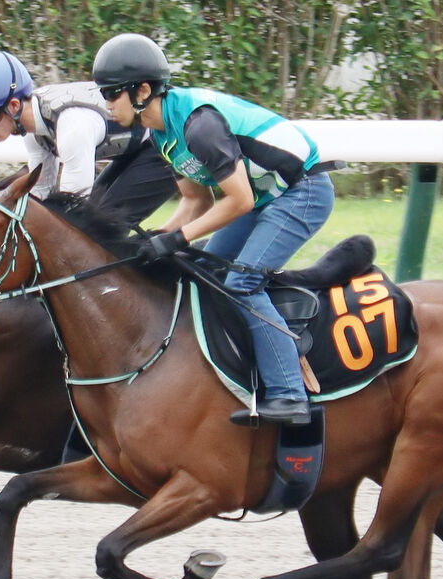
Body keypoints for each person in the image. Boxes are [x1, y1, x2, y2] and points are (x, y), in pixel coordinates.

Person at [92, 33, 336, 426]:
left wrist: (178, 239)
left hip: (302, 191)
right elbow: (196, 201)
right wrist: (157, 237)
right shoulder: (161, 134)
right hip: (266, 196)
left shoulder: (198, 126)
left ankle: (290, 397)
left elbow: (238, 200)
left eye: (112, 94)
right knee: (205, 272)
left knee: (241, 284)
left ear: (141, 90)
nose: (106, 104)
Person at [0, 49, 177, 227]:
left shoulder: (71, 125)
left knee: (102, 226)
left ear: (14, 106)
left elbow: (74, 205)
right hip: (135, 148)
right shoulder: (33, 132)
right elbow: (39, 193)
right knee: (96, 218)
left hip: (166, 141)